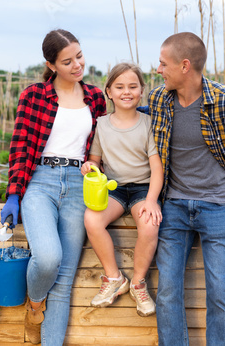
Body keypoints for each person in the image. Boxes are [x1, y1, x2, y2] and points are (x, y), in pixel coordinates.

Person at [148, 32, 225, 345]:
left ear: (185, 66)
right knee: (168, 289)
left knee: (220, 290)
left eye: (163, 63)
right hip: (175, 207)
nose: (158, 69)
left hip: (218, 207)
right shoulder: (158, 100)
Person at [0, 29, 106, 345]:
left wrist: (136, 115)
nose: (77, 65)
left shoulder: (96, 98)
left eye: (79, 56)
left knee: (62, 282)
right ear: (51, 64)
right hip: (41, 181)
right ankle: (34, 305)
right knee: (47, 258)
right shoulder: (34, 96)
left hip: (79, 185)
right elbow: (20, 146)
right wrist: (14, 194)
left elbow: (106, 139)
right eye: (67, 61)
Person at [81, 62, 163, 317]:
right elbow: (95, 159)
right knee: (91, 219)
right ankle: (114, 278)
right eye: (119, 87)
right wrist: (89, 166)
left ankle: (138, 283)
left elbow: (157, 168)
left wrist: (151, 200)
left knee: (150, 224)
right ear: (109, 91)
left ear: (141, 91)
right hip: (113, 188)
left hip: (142, 189)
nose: (126, 92)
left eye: (132, 86)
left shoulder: (149, 123)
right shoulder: (102, 125)